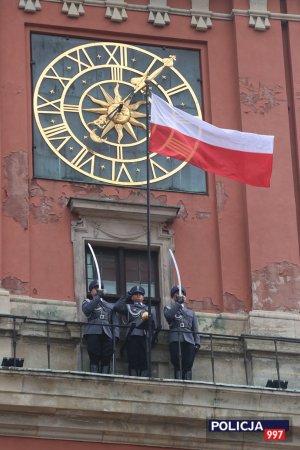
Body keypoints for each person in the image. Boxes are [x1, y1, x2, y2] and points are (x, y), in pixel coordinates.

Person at [113, 285, 157, 377]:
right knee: (132, 359)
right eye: (135, 294)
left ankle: (143, 378)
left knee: (144, 360)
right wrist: (126, 296)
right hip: (132, 335)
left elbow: (153, 326)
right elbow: (116, 307)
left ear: (143, 296)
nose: (138, 295)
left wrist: (153, 338)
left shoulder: (149, 309)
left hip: (145, 336)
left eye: (140, 294)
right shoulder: (128, 307)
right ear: (132, 296)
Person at [82, 280, 119, 374]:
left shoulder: (109, 305)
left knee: (106, 356)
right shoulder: (87, 301)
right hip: (93, 330)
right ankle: (94, 375)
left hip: (107, 332)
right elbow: (87, 310)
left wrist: (116, 335)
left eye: (100, 288)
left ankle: (105, 375)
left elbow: (115, 321)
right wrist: (97, 297)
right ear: (91, 291)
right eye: (96, 288)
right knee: (94, 354)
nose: (98, 290)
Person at [164, 286, 200, 380]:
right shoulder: (168, 308)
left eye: (181, 295)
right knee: (177, 361)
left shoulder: (190, 312)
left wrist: (197, 342)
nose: (179, 296)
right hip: (176, 337)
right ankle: (179, 380)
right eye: (176, 295)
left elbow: (195, 328)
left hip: (189, 339)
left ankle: (188, 381)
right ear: (173, 297)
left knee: (188, 362)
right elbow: (169, 316)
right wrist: (178, 304)